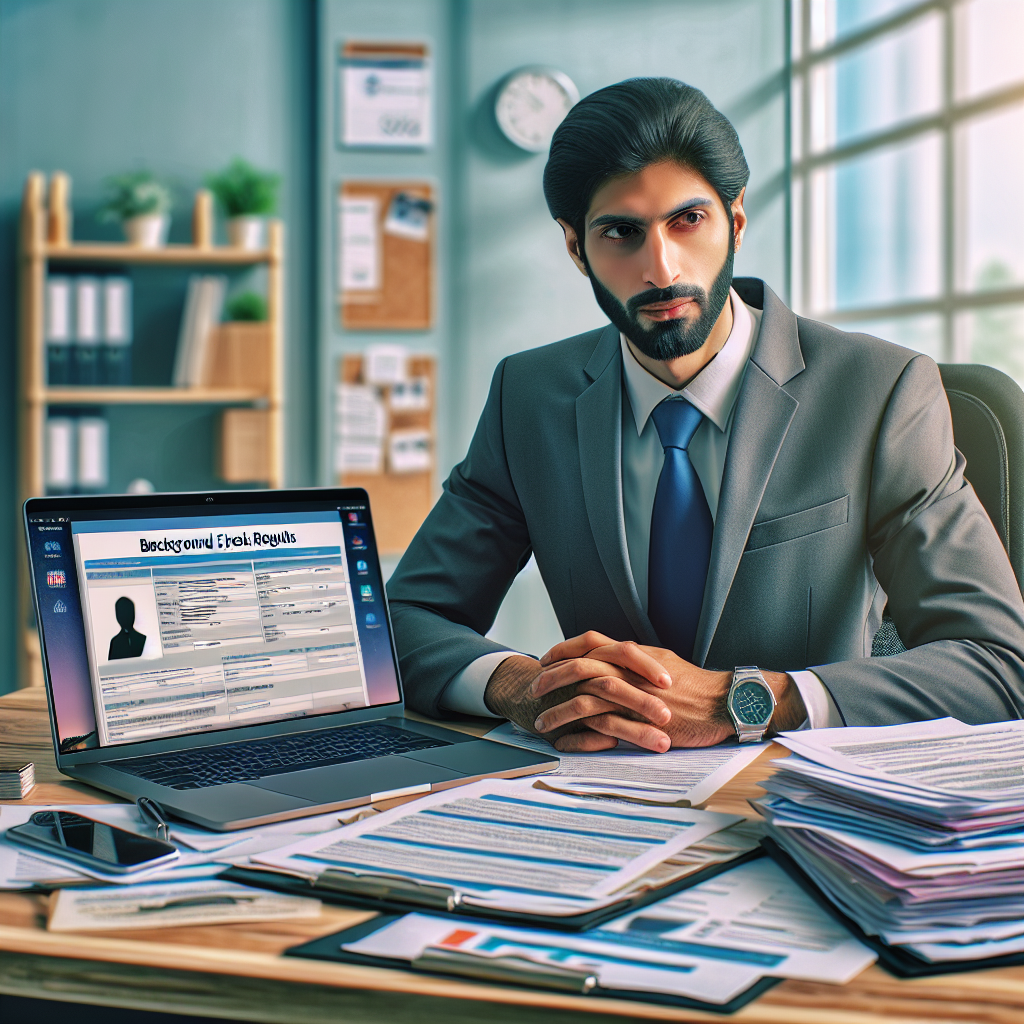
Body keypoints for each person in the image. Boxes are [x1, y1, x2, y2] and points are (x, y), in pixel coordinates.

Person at [387, 77, 1024, 753]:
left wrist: (744, 700)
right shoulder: (529, 396)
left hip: (799, 790)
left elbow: (998, 664)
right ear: (576, 248)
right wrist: (519, 684)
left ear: (736, 221)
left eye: (687, 220)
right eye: (621, 233)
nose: (661, 270)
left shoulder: (879, 390)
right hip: (594, 790)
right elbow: (401, 618)